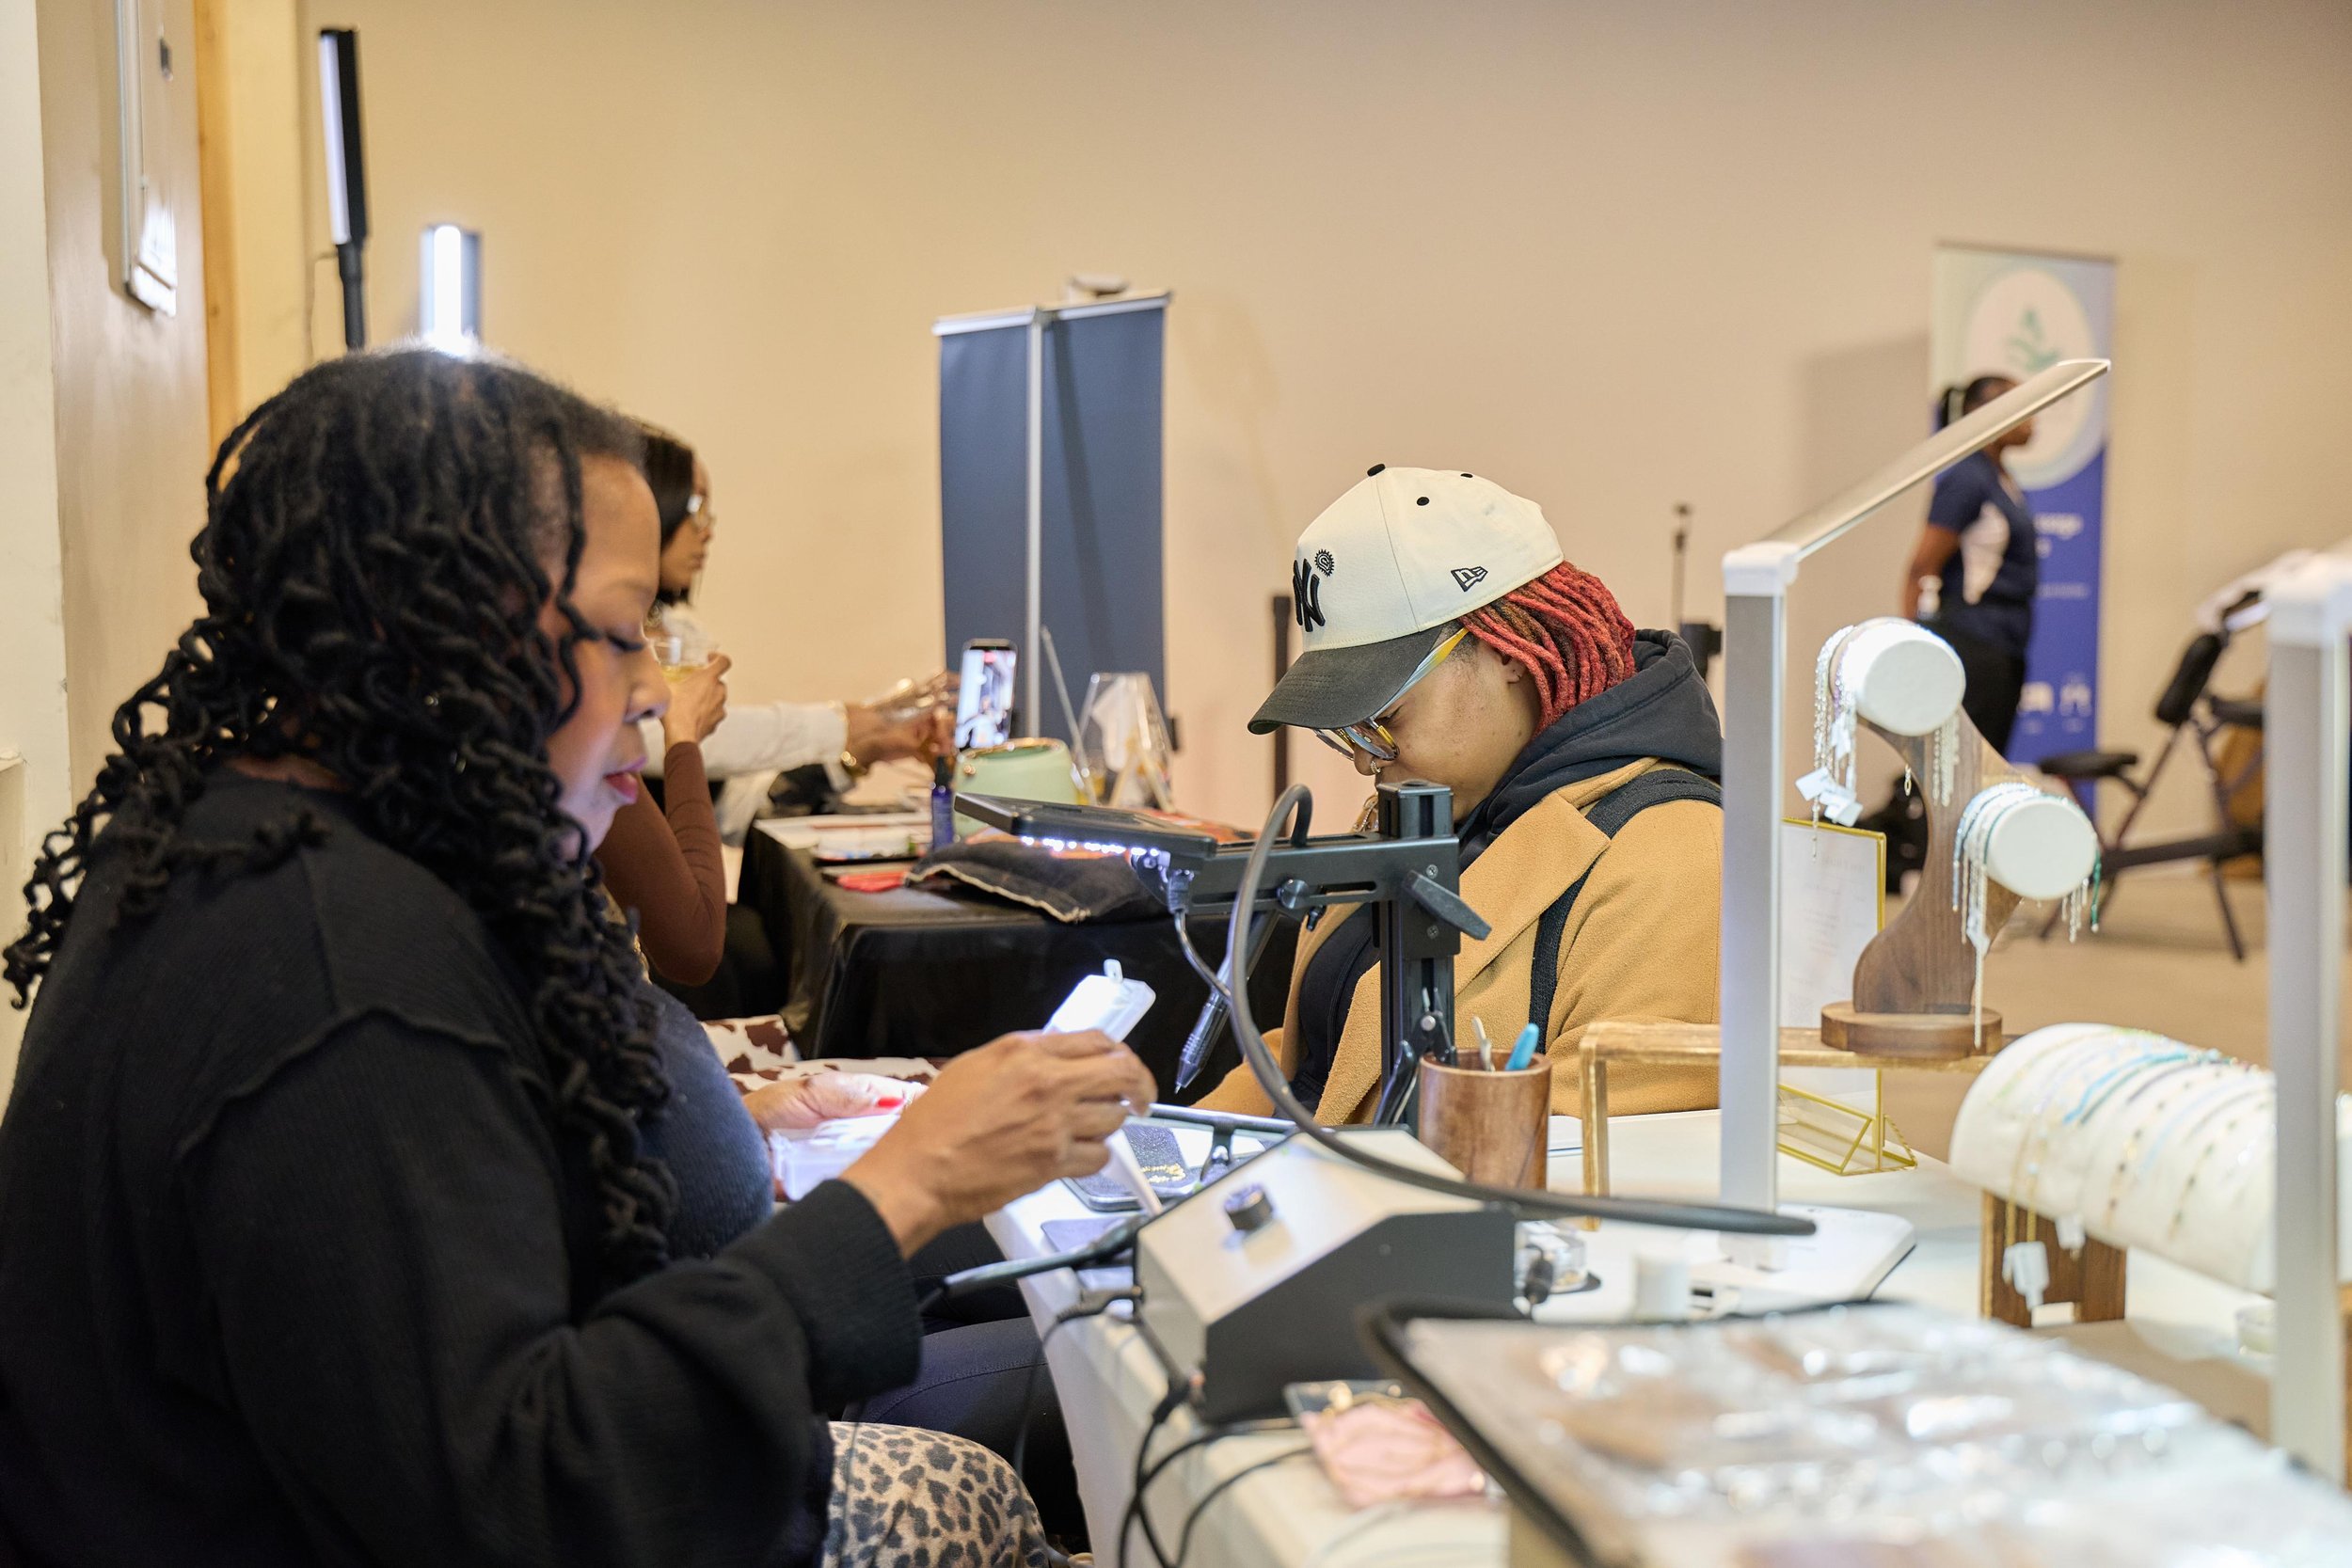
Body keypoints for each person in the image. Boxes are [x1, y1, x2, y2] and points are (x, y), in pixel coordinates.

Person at [0, 348, 1157, 1566]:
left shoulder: (279, 842)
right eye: (620, 632)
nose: (659, 691)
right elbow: (538, 1505)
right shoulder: (343, 977)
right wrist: (912, 1181)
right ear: (444, 626)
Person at [1199, 465, 1724, 1124]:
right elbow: (1322, 1061)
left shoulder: (1673, 856)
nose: (1366, 758)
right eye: (1349, 730)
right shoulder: (1436, 803)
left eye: (1383, 716)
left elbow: (1584, 1163)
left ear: (1508, 647)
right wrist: (1162, 1151)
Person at [638, 426, 952, 839]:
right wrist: (856, 719)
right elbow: (658, 738)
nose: (707, 529)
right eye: (696, 507)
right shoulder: (601, 640)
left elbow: (730, 807)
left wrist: (858, 752)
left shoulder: (683, 634)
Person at [1900, 374, 2039, 753]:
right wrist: (1914, 651)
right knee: (1967, 761)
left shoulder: (2000, 478)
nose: (2033, 417)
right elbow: (1921, 566)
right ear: (1986, 413)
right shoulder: (1966, 479)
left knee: (1991, 759)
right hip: (1974, 642)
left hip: (2006, 641)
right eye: (2022, 406)